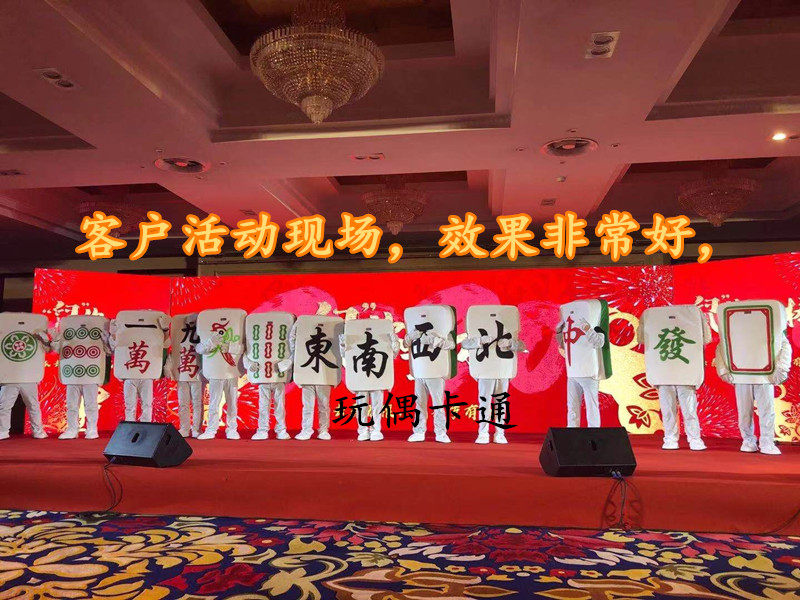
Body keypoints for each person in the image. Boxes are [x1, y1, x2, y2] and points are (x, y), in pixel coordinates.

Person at [715, 300, 791, 455]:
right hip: (742, 375)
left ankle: (767, 442)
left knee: (767, 411)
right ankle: (748, 441)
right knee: (744, 412)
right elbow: (722, 348)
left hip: (764, 375)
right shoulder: (733, 332)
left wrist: (781, 369)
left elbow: (784, 346)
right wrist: (723, 370)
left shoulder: (773, 329)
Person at [638, 305, 708, 451]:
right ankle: (670, 438)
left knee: (689, 410)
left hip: (685, 375)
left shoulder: (694, 316)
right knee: (668, 410)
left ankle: (694, 438)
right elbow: (644, 340)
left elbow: (703, 339)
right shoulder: (651, 317)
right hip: (664, 375)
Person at [462, 305, 526, 444]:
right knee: (484, 403)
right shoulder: (477, 325)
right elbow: (464, 344)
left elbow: (522, 346)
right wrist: (479, 341)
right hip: (485, 370)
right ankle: (483, 433)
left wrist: (510, 343)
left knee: (501, 403)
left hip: (503, 370)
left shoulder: (510, 327)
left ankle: (500, 433)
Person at [280, 315, 344, 441]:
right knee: (307, 405)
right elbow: (293, 338)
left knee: (324, 405)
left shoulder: (334, 325)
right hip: (307, 371)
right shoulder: (303, 324)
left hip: (325, 373)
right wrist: (297, 355)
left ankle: (323, 430)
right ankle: (306, 429)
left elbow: (341, 345)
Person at [50, 315, 111, 440]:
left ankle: (92, 429)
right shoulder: (65, 332)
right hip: (72, 373)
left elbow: (109, 351)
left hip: (91, 373)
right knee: (71, 405)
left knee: (91, 405)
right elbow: (56, 350)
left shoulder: (99, 333)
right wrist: (56, 338)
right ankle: (72, 429)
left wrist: (107, 340)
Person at [404, 305, 457, 443]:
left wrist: (435, 340)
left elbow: (451, 345)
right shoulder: (414, 330)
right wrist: (411, 336)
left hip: (435, 372)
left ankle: (440, 432)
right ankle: (419, 431)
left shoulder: (443, 328)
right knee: (419, 403)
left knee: (438, 404)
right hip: (420, 372)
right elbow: (405, 344)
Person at [341, 318, 400, 441]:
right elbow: (345, 355)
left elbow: (393, 355)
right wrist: (343, 344)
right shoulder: (354, 335)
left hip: (378, 376)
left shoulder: (384, 337)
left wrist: (394, 342)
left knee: (377, 406)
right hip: (361, 376)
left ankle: (376, 429)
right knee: (361, 405)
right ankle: (363, 430)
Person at [556, 300, 611, 428]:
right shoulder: (568, 328)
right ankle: (572, 432)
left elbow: (599, 343)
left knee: (592, 406)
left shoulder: (596, 328)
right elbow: (565, 345)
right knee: (572, 407)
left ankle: (594, 433)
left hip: (588, 373)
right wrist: (559, 333)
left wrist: (587, 329)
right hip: (573, 373)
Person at [196, 309, 247, 440]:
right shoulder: (208, 336)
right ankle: (211, 429)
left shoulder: (237, 332)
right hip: (215, 373)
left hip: (231, 372)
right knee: (214, 402)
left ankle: (232, 429)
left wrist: (230, 347)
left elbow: (244, 348)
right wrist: (211, 343)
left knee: (232, 402)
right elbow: (199, 349)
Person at [110, 310, 170, 422]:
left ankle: (146, 426)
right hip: (129, 375)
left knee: (147, 404)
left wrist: (165, 330)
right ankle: (130, 425)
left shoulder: (155, 335)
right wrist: (113, 334)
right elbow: (114, 347)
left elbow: (165, 344)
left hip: (147, 376)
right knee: (129, 405)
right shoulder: (123, 334)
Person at [244, 311, 294, 441]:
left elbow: (293, 350)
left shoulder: (288, 331)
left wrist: (287, 363)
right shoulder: (252, 333)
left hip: (278, 375)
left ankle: (281, 429)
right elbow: (246, 351)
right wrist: (249, 364)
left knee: (279, 405)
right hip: (263, 375)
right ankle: (262, 429)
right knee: (263, 405)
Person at [0, 313, 50, 440]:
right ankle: (3, 431)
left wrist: (43, 338)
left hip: (29, 376)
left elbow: (49, 349)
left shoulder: (39, 334)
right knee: (4, 406)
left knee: (33, 405)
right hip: (10, 376)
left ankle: (38, 431)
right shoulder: (4, 329)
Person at [167, 313, 204, 437]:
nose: (190, 324)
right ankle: (184, 427)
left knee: (197, 403)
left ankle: (196, 429)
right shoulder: (179, 336)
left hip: (197, 374)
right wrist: (169, 367)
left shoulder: (202, 336)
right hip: (182, 373)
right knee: (183, 402)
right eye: (188, 322)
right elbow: (173, 353)